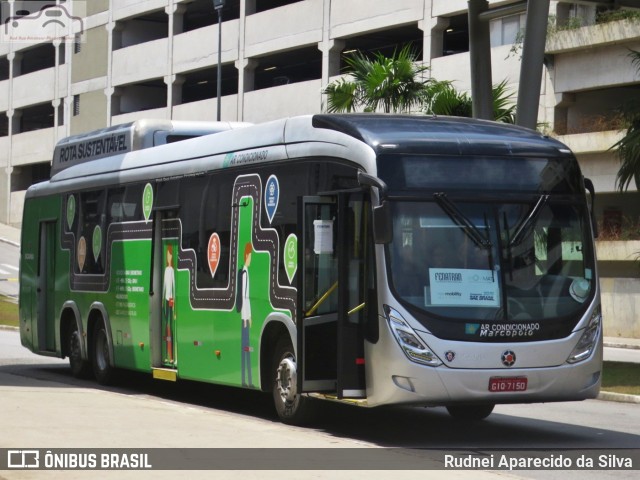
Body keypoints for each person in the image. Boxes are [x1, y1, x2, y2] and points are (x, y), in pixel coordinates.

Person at [240, 242, 253, 387]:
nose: (250, 258)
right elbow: (244, 297)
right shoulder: (244, 272)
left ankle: (248, 380)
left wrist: (249, 316)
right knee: (245, 351)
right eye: (250, 256)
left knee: (247, 351)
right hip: (243, 319)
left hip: (246, 317)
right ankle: (245, 380)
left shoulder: (246, 271)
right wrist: (245, 318)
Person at [162, 244, 176, 366]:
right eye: (168, 254)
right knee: (167, 327)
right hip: (166, 300)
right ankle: (167, 355)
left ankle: (171, 356)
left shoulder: (171, 270)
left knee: (170, 327)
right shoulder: (166, 270)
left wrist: (174, 303)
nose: (169, 256)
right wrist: (162, 300)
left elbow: (173, 287)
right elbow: (164, 287)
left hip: (171, 300)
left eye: (170, 254)